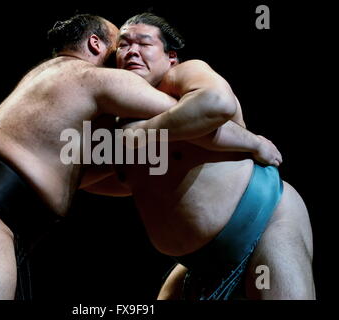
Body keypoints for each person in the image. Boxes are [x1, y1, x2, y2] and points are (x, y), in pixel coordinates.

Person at [0, 13, 186, 300]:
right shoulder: (93, 77)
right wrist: (186, 75)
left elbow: (89, 172)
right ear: (96, 44)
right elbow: (186, 112)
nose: (124, 56)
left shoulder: (49, 77)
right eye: (119, 45)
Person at [86, 13, 315, 299]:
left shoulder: (182, 75)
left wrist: (142, 132)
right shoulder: (118, 117)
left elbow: (216, 103)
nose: (132, 51)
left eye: (144, 43)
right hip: (197, 262)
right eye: (123, 45)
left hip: (267, 222)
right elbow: (101, 178)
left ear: (171, 57)